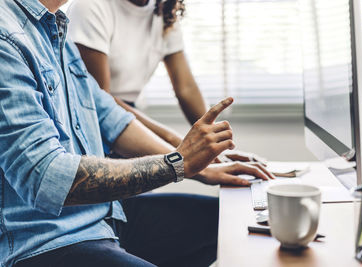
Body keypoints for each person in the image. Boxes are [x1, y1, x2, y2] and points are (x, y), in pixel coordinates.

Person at [0, 0, 270, 266]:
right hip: (44, 242)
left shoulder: (55, 30)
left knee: (230, 223)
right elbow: (45, 176)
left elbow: (109, 116)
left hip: (103, 219)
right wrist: (178, 163)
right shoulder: (7, 37)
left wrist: (200, 165)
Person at [67, 0, 267, 164]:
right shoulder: (91, 6)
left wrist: (217, 147)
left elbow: (186, 88)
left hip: (132, 119)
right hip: (98, 129)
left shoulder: (163, 9)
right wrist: (180, 144)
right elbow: (101, 100)